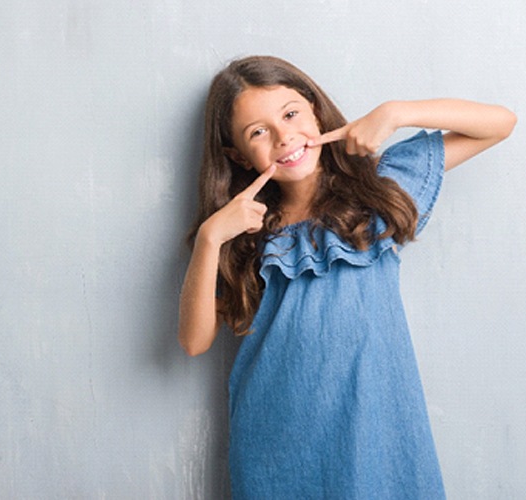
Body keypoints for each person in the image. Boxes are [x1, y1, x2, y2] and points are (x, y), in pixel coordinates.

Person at [177, 55, 516, 498]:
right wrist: (209, 238)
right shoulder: (245, 231)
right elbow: (194, 340)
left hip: (378, 428)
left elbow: (500, 123)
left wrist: (396, 112)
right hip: (277, 438)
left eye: (291, 113)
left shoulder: (377, 187)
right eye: (258, 132)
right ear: (238, 156)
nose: (285, 137)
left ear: (315, 110)